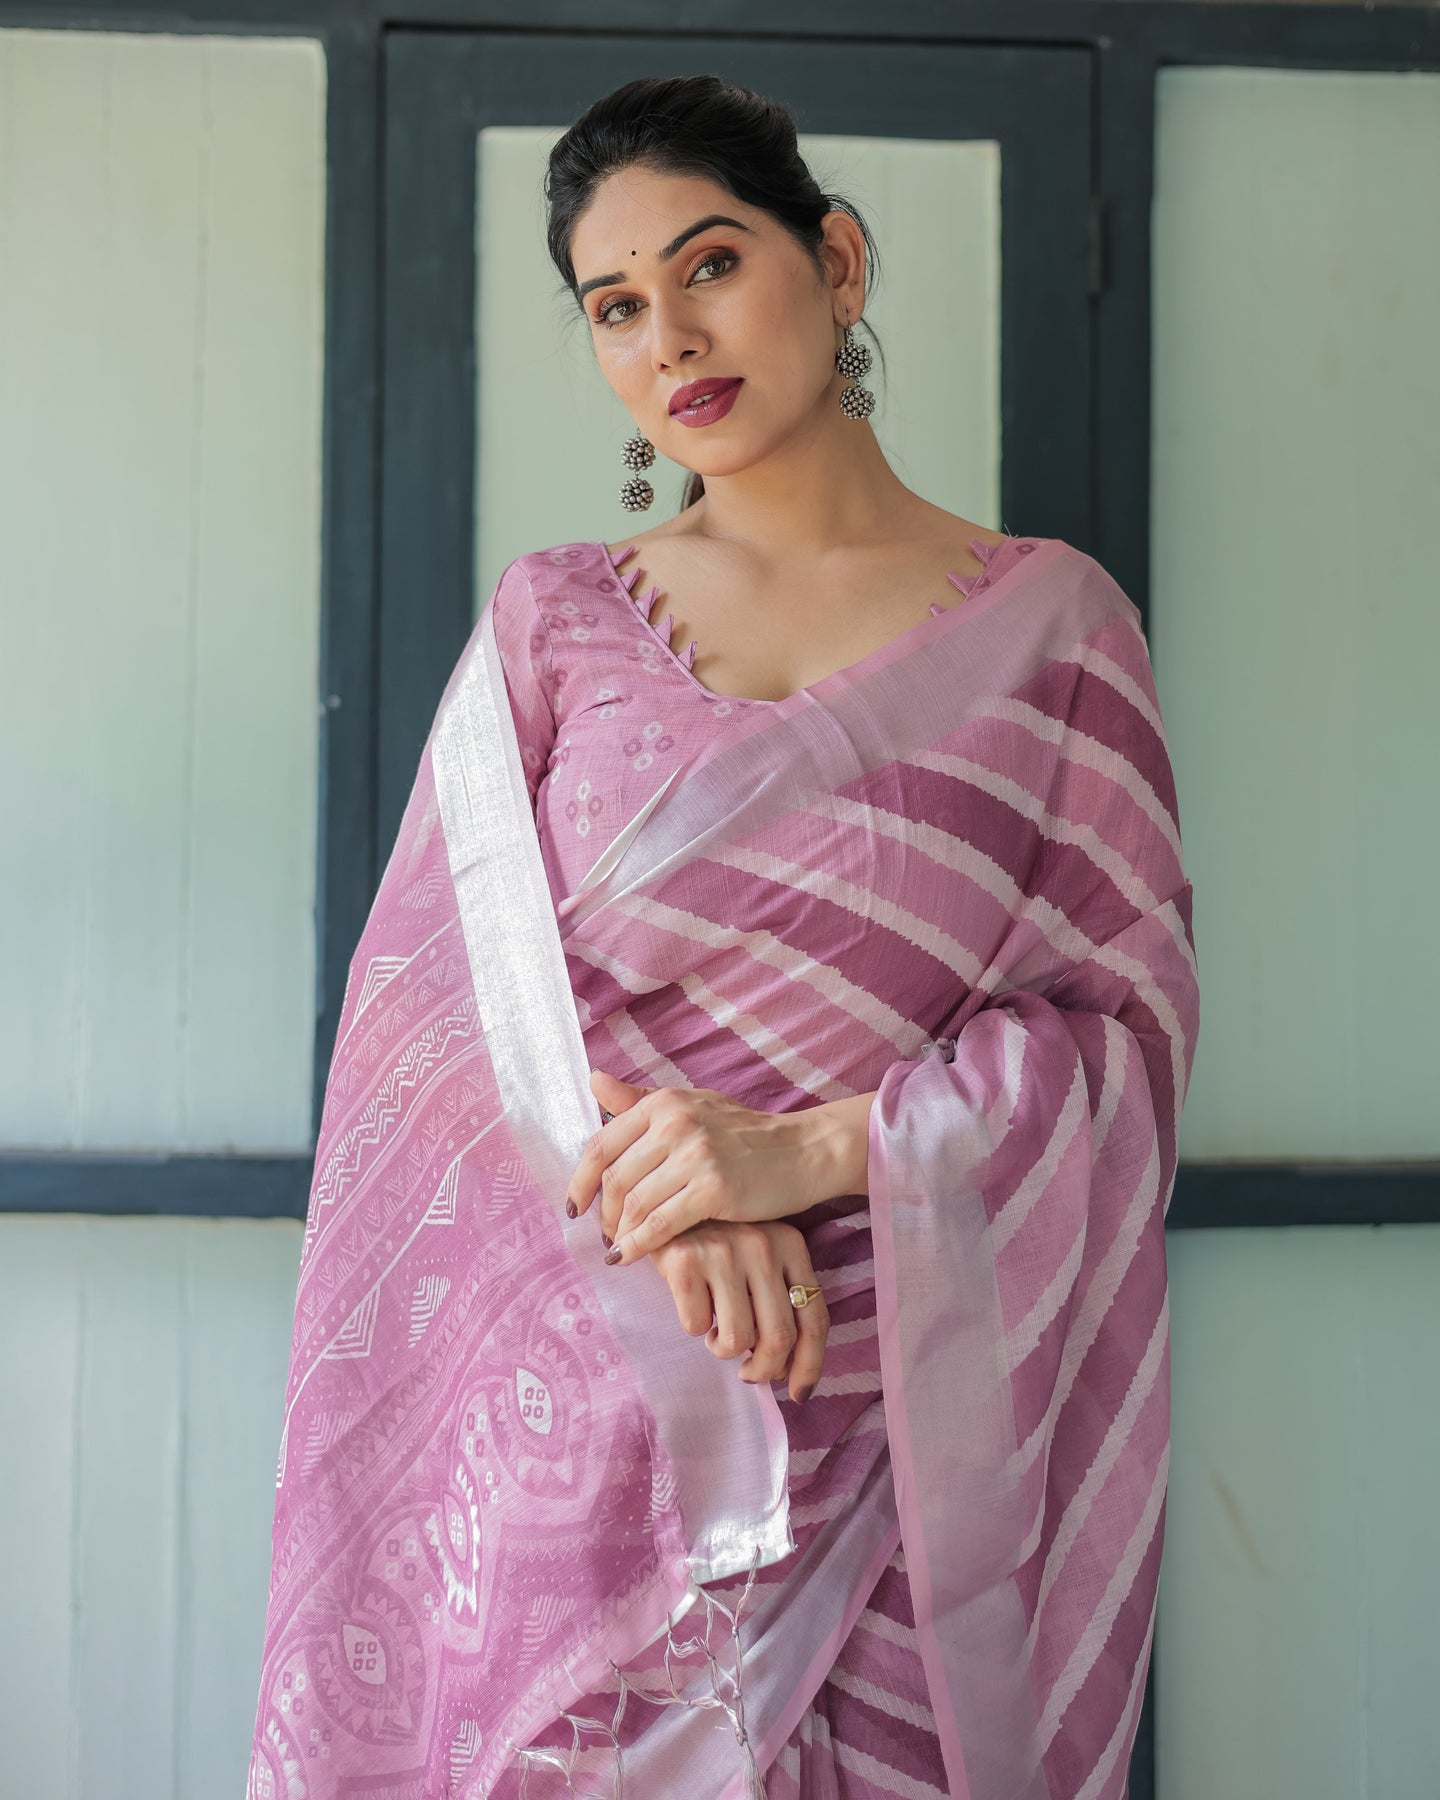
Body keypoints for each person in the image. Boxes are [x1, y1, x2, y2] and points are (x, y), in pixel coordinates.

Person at [248, 74, 1199, 1800]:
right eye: (615, 306)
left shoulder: (1059, 632)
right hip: (587, 1429)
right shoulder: (555, 621)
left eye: (709, 265)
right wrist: (678, 1205)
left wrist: (811, 1153)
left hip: (901, 1442)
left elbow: (1121, 1045)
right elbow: (435, 1030)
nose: (668, 336)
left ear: (836, 262)